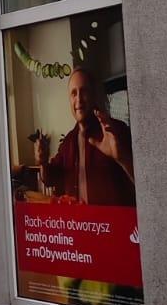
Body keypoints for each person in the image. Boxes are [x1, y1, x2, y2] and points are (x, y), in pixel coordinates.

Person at [32, 67, 135, 206]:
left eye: (84, 91)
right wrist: (43, 163)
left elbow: (147, 185)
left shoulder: (116, 130)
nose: (79, 99)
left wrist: (121, 157)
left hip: (113, 226)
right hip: (81, 226)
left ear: (93, 96)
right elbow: (50, 179)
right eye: (73, 93)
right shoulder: (68, 142)